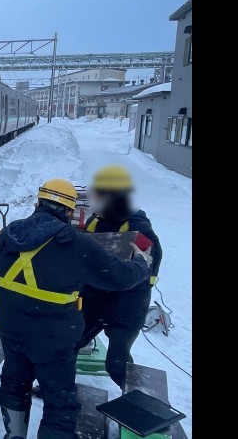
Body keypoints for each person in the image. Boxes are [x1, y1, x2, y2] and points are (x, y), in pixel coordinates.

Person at [0, 178, 152, 439]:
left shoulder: (13, 232)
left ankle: (14, 435)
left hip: (11, 325)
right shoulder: (75, 244)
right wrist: (142, 263)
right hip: (53, 336)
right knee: (59, 399)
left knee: (14, 381)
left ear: (38, 203)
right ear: (69, 211)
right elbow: (119, 277)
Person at [74, 165, 163, 388]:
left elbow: (146, 275)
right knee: (69, 344)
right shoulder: (96, 222)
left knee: (117, 362)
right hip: (95, 302)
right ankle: (58, 388)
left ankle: (138, 404)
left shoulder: (140, 231)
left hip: (126, 307)